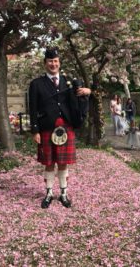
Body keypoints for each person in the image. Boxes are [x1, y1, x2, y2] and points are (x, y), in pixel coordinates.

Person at [29, 48, 91, 209]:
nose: (53, 64)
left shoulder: (68, 81)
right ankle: (49, 193)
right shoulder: (36, 84)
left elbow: (80, 96)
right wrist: (35, 130)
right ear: (45, 64)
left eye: (55, 61)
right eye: (50, 61)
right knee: (49, 163)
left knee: (63, 163)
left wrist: (87, 91)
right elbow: (33, 108)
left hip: (66, 126)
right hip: (46, 128)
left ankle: (63, 193)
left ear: (59, 63)